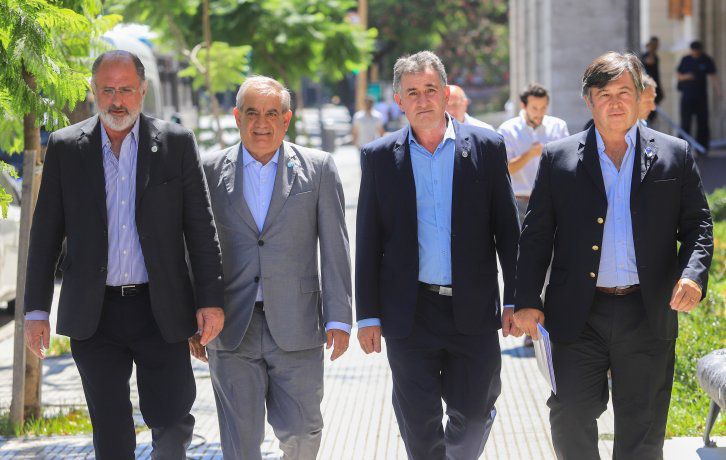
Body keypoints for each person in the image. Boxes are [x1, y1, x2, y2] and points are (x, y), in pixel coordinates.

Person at [23, 50, 225, 459]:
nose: (117, 101)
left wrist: (210, 300)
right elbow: (45, 235)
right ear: (94, 91)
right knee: (111, 434)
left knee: (172, 422)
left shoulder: (176, 144)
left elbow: (201, 229)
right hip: (94, 315)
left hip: (161, 310)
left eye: (126, 90)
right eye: (108, 90)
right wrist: (36, 311)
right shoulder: (66, 147)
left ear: (143, 90)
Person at [514, 52, 713, 459]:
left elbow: (698, 225)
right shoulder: (558, 158)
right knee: (570, 414)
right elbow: (536, 236)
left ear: (640, 97)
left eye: (624, 92)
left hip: (647, 311)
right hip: (577, 313)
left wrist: (692, 275)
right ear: (589, 101)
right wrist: (527, 300)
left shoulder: (674, 155)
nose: (615, 102)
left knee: (643, 427)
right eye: (604, 94)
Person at [356, 51, 521, 460]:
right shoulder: (378, 157)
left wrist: (517, 299)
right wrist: (368, 315)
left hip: (473, 309)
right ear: (399, 101)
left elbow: (508, 231)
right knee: (418, 425)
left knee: (475, 416)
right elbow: (368, 241)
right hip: (409, 313)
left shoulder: (487, 147)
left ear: (446, 94)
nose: (423, 99)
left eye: (430, 89)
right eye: (412, 92)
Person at [197, 76, 352, 459]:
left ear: (287, 119)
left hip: (298, 325)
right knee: (240, 443)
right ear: (237, 117)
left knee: (303, 432)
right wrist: (193, 315)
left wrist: (339, 318)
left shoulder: (318, 169)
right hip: (232, 327)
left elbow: (335, 247)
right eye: (252, 113)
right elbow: (195, 248)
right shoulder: (209, 171)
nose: (261, 123)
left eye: (271, 114)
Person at [497, 83, 569, 226]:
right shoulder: (507, 130)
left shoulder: (559, 126)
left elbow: (566, 164)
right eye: (534, 108)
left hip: (550, 201)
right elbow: (504, 170)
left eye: (543, 108)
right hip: (519, 203)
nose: (539, 113)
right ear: (523, 106)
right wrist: (530, 154)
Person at [677, 40, 723, 152]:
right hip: (687, 96)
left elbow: (713, 76)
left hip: (701, 97)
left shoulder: (706, 59)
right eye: (694, 51)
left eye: (697, 51)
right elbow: (679, 76)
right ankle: (682, 148)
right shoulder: (686, 59)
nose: (696, 53)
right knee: (686, 122)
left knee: (703, 122)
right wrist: (687, 77)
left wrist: (719, 91)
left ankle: (702, 148)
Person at [352, 95, 385, 165]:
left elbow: (381, 131)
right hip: (362, 144)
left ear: (372, 104)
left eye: (370, 103)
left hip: (374, 144)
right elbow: (355, 130)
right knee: (363, 164)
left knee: (373, 164)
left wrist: (382, 143)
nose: (368, 105)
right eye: (366, 103)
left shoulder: (377, 116)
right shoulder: (358, 116)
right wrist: (355, 142)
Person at [641, 36, 664, 112]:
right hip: (648, 87)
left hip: (655, 86)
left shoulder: (655, 56)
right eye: (655, 45)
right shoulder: (646, 55)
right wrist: (650, 49)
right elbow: (650, 62)